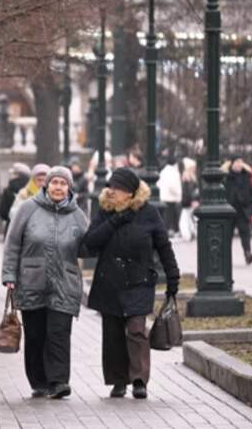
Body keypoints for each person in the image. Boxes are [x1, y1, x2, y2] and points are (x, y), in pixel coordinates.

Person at [82, 167, 180, 400]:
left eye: (117, 188)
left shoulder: (149, 213)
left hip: (140, 281)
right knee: (113, 333)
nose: (111, 191)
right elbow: (89, 243)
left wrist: (173, 277)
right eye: (110, 186)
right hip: (110, 282)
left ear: (131, 192)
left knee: (136, 329)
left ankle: (138, 380)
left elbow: (164, 247)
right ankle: (118, 381)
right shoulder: (105, 211)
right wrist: (115, 221)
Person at [1, 166, 88, 400]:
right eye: (54, 183)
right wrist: (9, 276)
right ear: (46, 185)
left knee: (59, 333)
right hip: (32, 280)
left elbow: (88, 247)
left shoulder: (77, 215)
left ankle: (59, 381)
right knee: (36, 334)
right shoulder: (27, 209)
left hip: (65, 281)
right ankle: (39, 381)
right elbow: (12, 244)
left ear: (69, 187)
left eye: (63, 183)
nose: (58, 187)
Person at [223, 156, 252, 265]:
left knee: (245, 233)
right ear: (232, 164)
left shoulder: (246, 176)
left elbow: (251, 193)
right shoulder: (226, 177)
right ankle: (225, 256)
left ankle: (248, 253)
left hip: (243, 210)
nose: (239, 164)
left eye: (241, 162)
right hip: (229, 210)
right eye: (237, 162)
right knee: (227, 235)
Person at [0, 162, 31, 236]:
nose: (10, 176)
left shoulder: (8, 191)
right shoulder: (32, 190)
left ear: (18, 175)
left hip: (11, 228)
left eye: (13, 174)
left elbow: (3, 212)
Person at [157, 156, 182, 238]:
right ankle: (168, 232)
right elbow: (173, 186)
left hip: (163, 197)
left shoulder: (163, 171)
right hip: (171, 197)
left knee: (167, 216)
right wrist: (179, 194)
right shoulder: (174, 172)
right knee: (170, 217)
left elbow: (158, 184)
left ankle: (170, 231)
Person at [178, 157, 199, 242]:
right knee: (190, 219)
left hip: (188, 202)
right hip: (190, 202)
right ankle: (191, 234)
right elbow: (190, 191)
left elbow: (188, 191)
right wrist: (193, 200)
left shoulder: (188, 176)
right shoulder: (189, 176)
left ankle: (189, 235)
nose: (195, 168)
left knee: (186, 220)